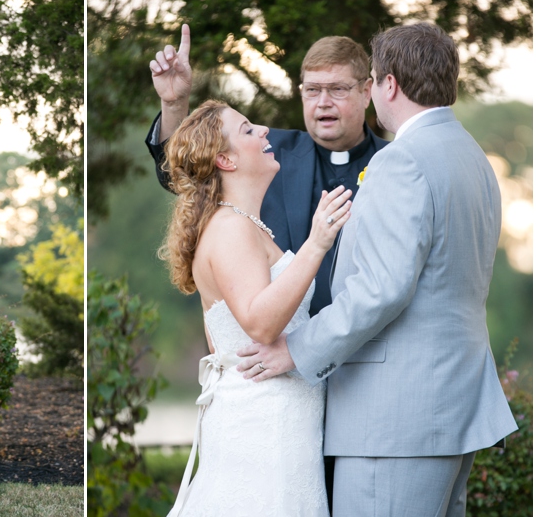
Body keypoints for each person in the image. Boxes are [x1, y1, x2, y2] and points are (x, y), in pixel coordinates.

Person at [237, 23, 518, 517]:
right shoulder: (470, 156)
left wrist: (297, 348)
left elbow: (382, 291)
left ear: (386, 85)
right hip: (448, 406)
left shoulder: (403, 161)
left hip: (395, 420)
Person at [121, 100, 352, 517]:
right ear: (225, 159)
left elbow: (222, 336)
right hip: (261, 427)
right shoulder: (228, 228)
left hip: (274, 418)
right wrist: (316, 244)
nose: (265, 129)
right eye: (248, 128)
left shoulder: (246, 225)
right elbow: (260, 322)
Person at [147, 24, 388, 316]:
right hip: (280, 345)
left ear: (366, 93)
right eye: (312, 90)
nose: (323, 102)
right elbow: (184, 174)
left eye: (337, 89)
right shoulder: (265, 152)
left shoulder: (395, 163)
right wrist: (174, 104)